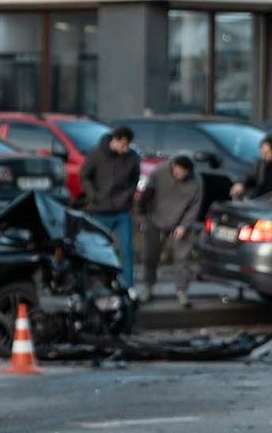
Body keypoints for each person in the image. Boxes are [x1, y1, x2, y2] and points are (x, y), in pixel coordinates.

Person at [78, 126, 145, 291]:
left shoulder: (132, 157)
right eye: (123, 145)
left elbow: (135, 178)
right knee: (99, 250)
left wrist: (128, 195)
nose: (125, 149)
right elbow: (84, 175)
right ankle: (98, 285)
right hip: (100, 211)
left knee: (127, 249)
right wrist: (93, 195)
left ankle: (128, 286)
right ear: (114, 141)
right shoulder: (96, 154)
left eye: (128, 145)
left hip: (122, 211)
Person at [138, 154, 205, 307]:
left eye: (183, 174)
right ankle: (148, 286)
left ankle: (182, 291)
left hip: (180, 222)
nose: (179, 175)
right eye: (178, 172)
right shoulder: (159, 173)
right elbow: (147, 195)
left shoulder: (196, 182)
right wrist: (143, 215)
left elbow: (194, 207)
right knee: (150, 255)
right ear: (173, 165)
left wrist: (184, 225)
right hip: (156, 218)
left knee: (182, 258)